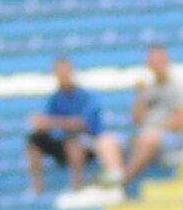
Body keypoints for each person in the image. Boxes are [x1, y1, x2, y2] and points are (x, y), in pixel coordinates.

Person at [25, 56, 123, 195]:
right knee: (34, 140)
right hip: (63, 142)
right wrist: (46, 122)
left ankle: (77, 186)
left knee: (74, 142)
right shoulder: (54, 99)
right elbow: (43, 123)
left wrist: (52, 122)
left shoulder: (86, 96)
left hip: (88, 143)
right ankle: (37, 188)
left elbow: (81, 123)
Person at [115, 45, 183, 188]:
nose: (156, 65)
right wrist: (140, 95)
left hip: (173, 140)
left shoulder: (180, 86)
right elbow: (136, 120)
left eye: (159, 60)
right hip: (145, 138)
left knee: (149, 137)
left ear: (167, 61)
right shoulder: (146, 89)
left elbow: (181, 120)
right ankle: (114, 173)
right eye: (152, 61)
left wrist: (155, 130)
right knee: (109, 140)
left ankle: (123, 180)